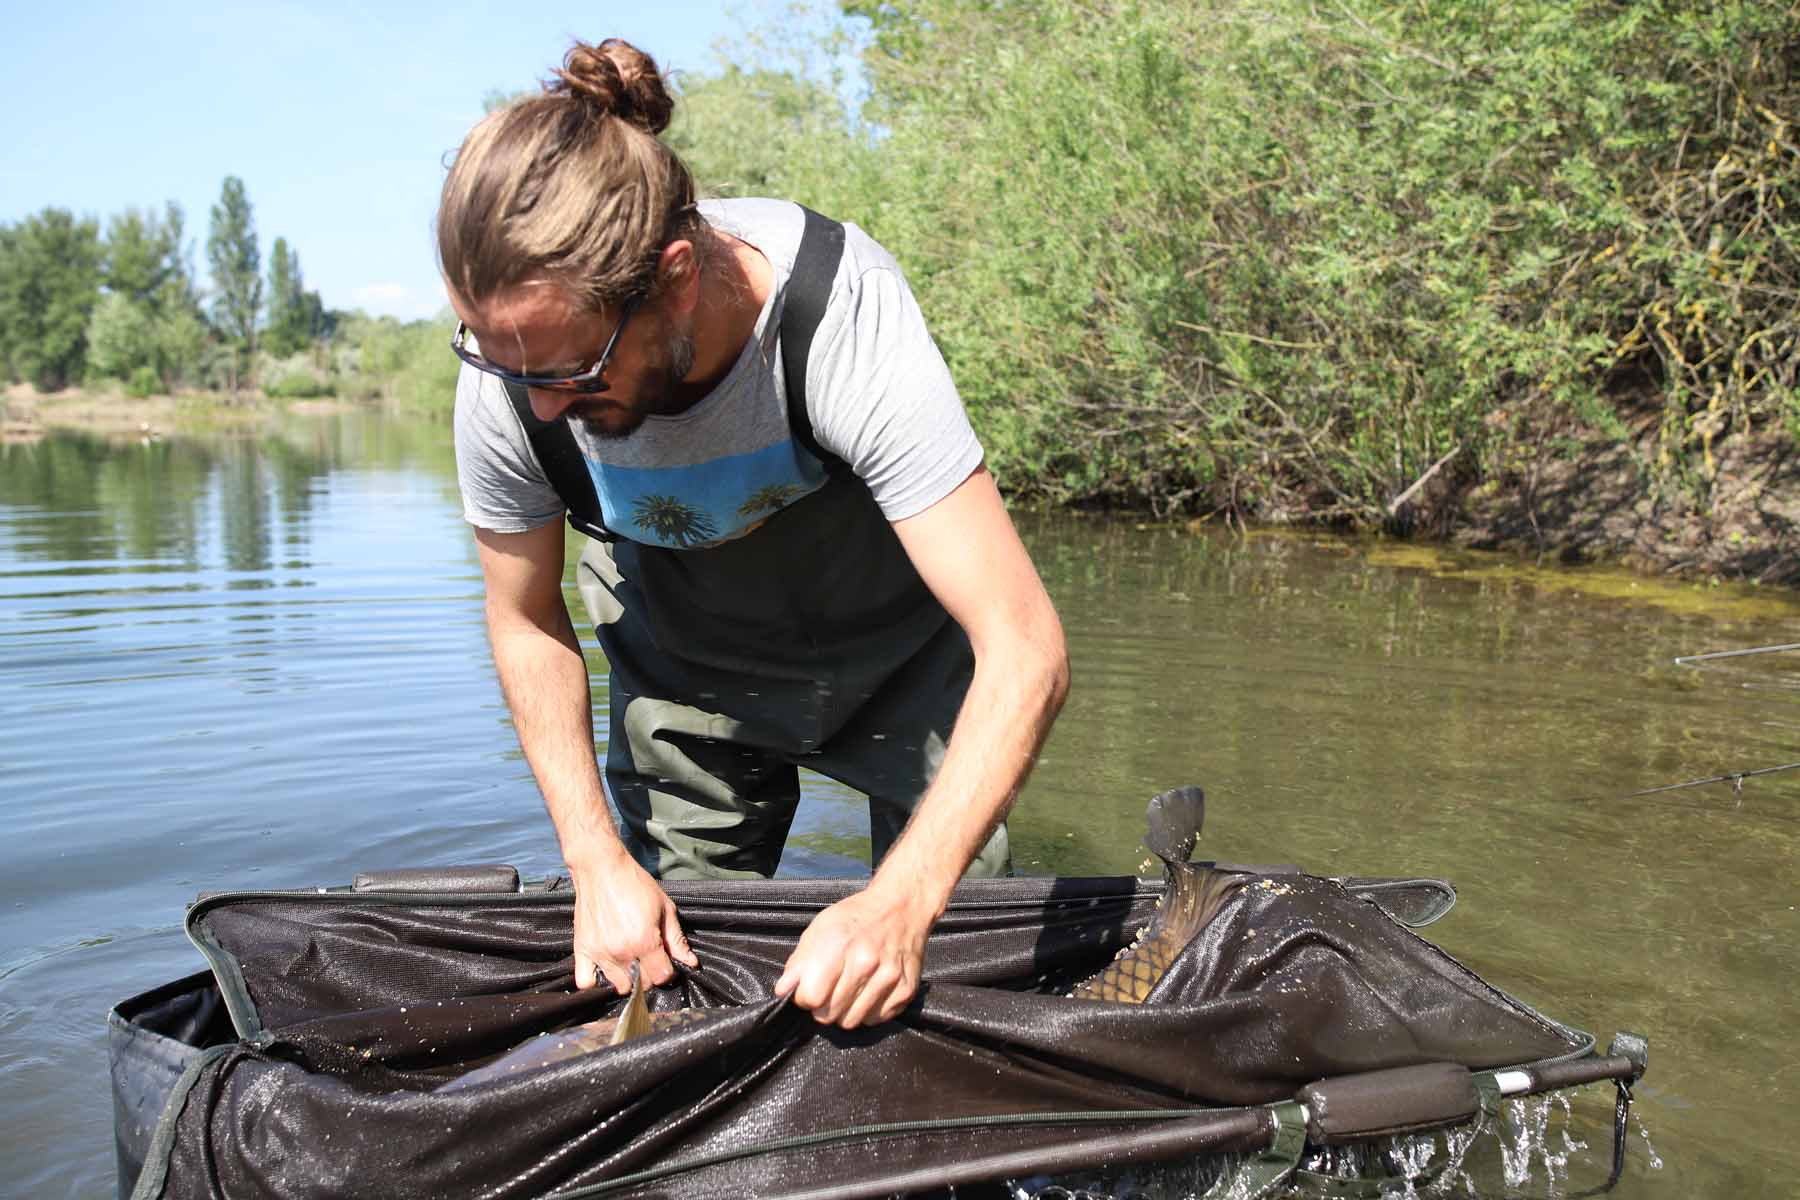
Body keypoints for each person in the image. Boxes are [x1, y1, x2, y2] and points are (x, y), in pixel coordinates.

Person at [439, 37, 1068, 1031]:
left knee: (945, 973)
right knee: (656, 992)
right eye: (512, 373)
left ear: (676, 279)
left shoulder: (839, 311)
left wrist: (899, 904)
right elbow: (525, 623)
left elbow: (1023, 644)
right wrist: (595, 863)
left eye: (577, 372)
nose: (544, 409)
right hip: (684, 681)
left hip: (906, 671)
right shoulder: (514, 377)